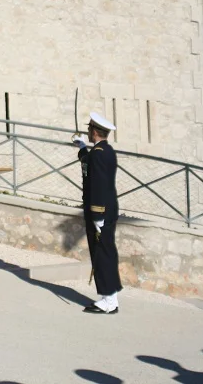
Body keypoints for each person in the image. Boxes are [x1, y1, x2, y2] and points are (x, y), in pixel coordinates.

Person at [74, 112, 122, 315]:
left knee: (102, 254)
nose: (87, 132)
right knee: (106, 252)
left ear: (94, 131)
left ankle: (108, 300)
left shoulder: (99, 154)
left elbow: (99, 186)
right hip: (105, 209)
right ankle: (110, 297)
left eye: (88, 130)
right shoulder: (104, 151)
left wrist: (97, 216)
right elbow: (89, 166)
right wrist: (82, 148)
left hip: (100, 211)